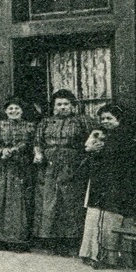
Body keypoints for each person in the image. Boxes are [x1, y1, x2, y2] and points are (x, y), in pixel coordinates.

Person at [78, 103, 136, 269]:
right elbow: (89, 149)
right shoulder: (103, 135)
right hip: (102, 182)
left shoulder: (125, 136)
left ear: (119, 119)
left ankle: (108, 257)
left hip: (118, 183)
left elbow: (111, 156)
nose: (105, 121)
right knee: (99, 216)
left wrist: (95, 149)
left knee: (110, 217)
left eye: (109, 118)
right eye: (102, 118)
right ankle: (96, 254)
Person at [33, 89, 91, 254]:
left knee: (70, 203)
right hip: (49, 167)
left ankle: (71, 242)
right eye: (59, 104)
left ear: (73, 106)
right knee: (50, 202)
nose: (63, 107)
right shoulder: (46, 122)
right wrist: (38, 154)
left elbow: (94, 137)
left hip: (73, 166)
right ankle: (52, 241)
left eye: (66, 104)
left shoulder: (82, 121)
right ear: (54, 106)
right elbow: (38, 141)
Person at [0, 100, 37, 249]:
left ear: (22, 111)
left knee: (19, 203)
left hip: (22, 168)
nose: (13, 111)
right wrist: (1, 151)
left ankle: (17, 240)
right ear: (6, 111)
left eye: (17, 108)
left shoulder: (30, 127)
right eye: (10, 109)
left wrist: (21, 150)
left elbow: (34, 145)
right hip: (2, 169)